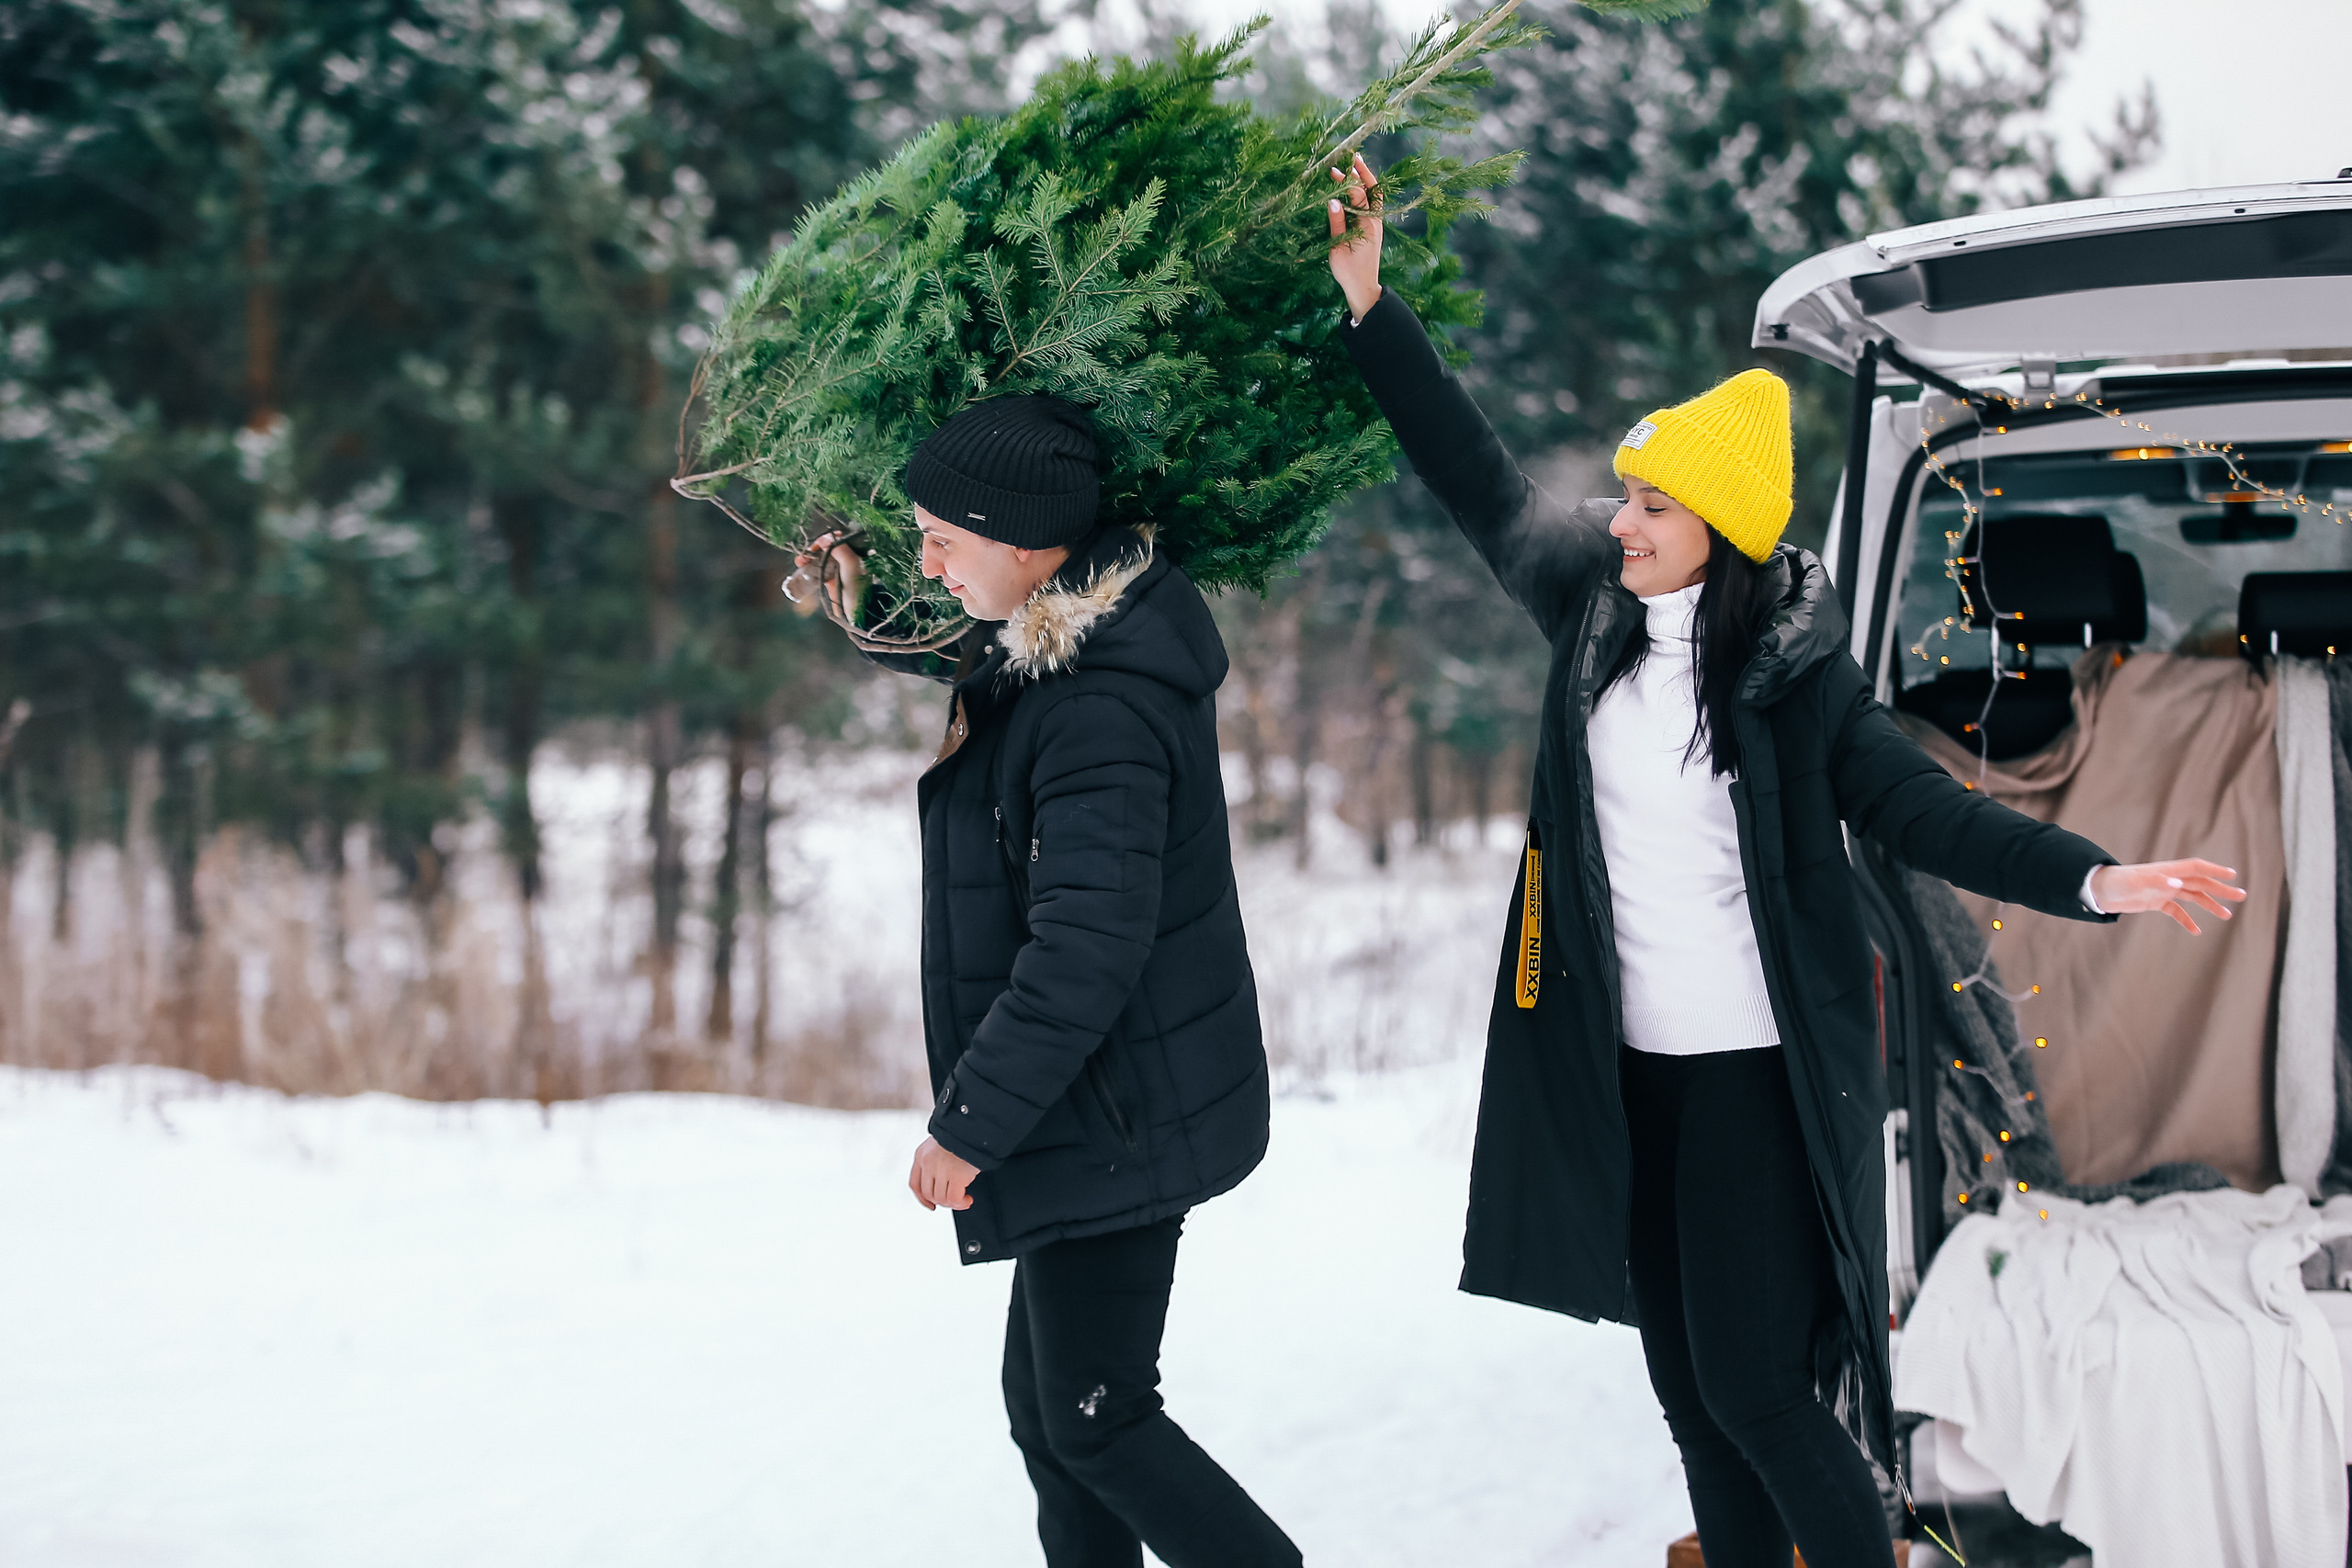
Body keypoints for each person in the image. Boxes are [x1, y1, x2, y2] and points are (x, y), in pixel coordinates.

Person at [1321, 153, 2247, 1568]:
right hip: (1623, 1066)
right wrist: (1371, 305)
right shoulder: (1590, 608)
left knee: (1759, 1385)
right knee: (1690, 1394)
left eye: (1652, 507)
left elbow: (1927, 815)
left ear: (1723, 539)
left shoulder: (1798, 676)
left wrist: (2096, 876)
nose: (1619, 518)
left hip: (1757, 1075)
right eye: (1626, 498)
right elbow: (1476, 478)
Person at [797, 394, 1299, 1568]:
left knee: (1098, 1420)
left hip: (1118, 1111)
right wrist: (865, 610)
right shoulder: (1066, 641)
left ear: (1024, 543)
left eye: (941, 539)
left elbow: (1085, 948)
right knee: (1054, 1418)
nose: (925, 558)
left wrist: (970, 1126)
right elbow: (984, 670)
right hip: (1100, 1099)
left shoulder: (1100, 713)